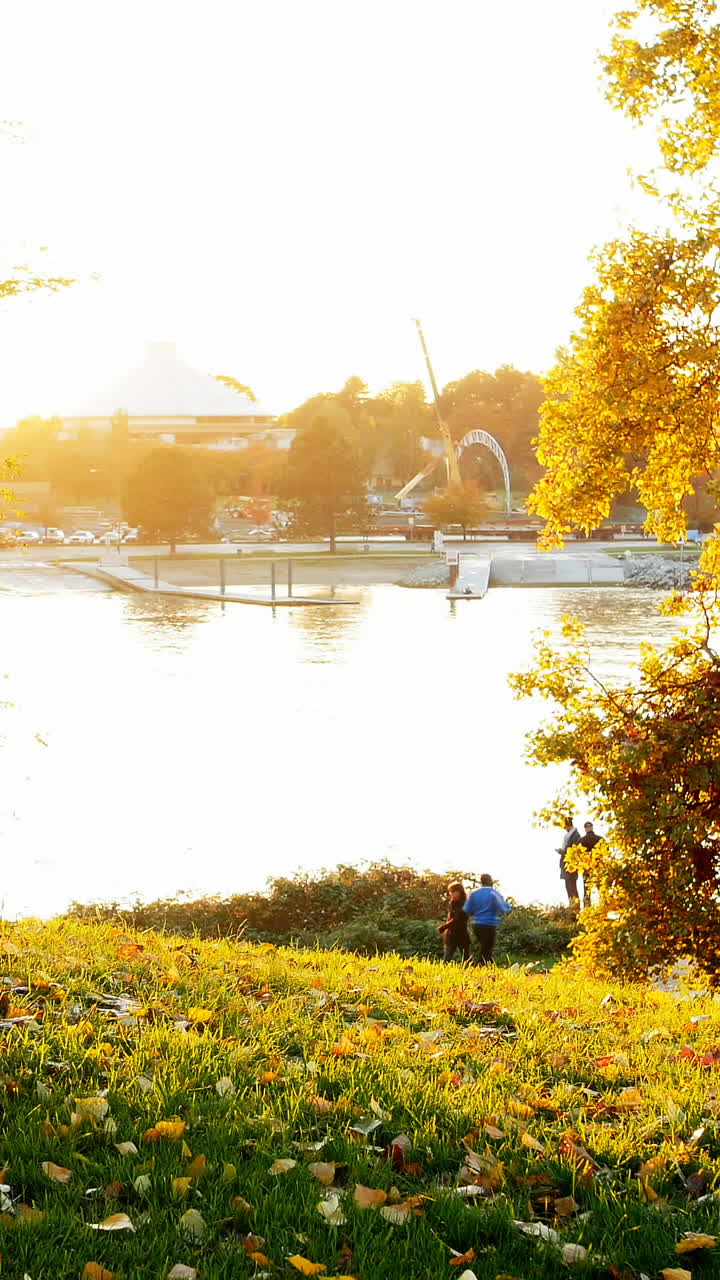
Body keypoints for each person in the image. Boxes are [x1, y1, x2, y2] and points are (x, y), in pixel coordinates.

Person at [463, 873, 512, 965]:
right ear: (490, 881)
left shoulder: (474, 893)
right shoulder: (493, 893)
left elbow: (467, 909)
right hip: (489, 924)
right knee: (487, 947)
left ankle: (488, 965)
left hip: (476, 924)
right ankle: (480, 965)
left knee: (485, 946)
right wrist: (508, 909)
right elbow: (503, 908)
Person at [437, 881, 471, 963]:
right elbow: (450, 917)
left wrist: (444, 927)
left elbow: (458, 919)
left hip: (462, 933)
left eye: (453, 892)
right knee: (447, 958)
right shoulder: (452, 902)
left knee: (466, 958)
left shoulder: (465, 903)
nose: (451, 894)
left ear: (459, 892)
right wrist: (446, 929)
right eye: (450, 892)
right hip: (451, 933)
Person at [555, 817, 582, 906]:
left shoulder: (575, 836)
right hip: (566, 864)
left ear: (567, 826)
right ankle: (573, 906)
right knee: (569, 886)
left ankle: (575, 907)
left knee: (572, 887)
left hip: (571, 865)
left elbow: (574, 850)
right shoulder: (571, 835)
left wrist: (562, 852)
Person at [579, 820, 601, 908]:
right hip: (598, 865)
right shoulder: (600, 839)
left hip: (586, 866)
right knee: (600, 887)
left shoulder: (581, 841)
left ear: (585, 829)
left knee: (587, 888)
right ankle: (602, 906)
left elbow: (577, 853)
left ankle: (587, 908)